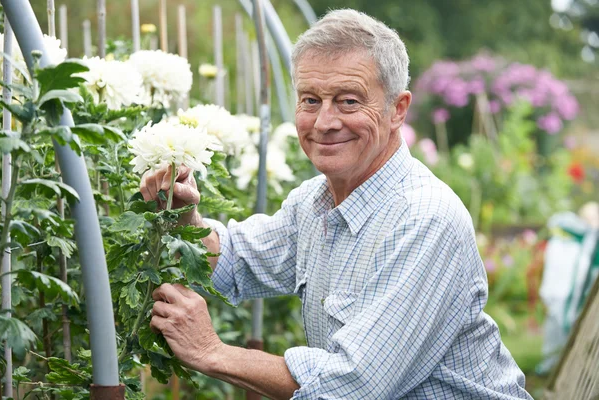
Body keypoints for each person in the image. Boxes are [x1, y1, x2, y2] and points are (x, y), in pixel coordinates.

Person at [140, 9, 533, 400]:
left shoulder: (424, 219)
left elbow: (354, 385)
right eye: (310, 100)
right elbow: (236, 260)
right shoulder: (315, 202)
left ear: (397, 109)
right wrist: (183, 214)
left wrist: (212, 352)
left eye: (347, 101)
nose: (324, 121)